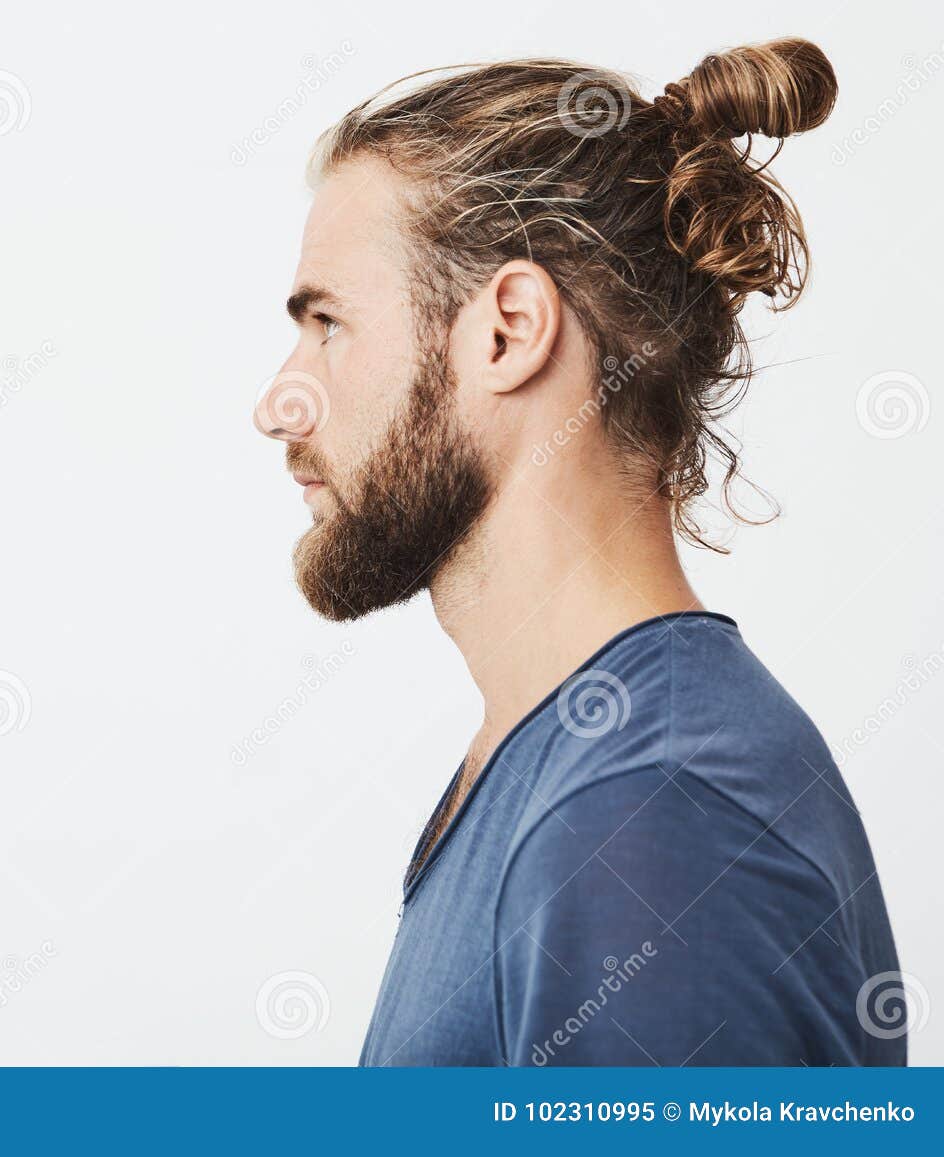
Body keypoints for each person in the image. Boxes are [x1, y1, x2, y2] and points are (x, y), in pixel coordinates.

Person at [255, 38, 906, 1065]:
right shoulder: (567, 772)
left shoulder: (653, 818)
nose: (274, 404)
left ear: (508, 330)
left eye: (328, 321)